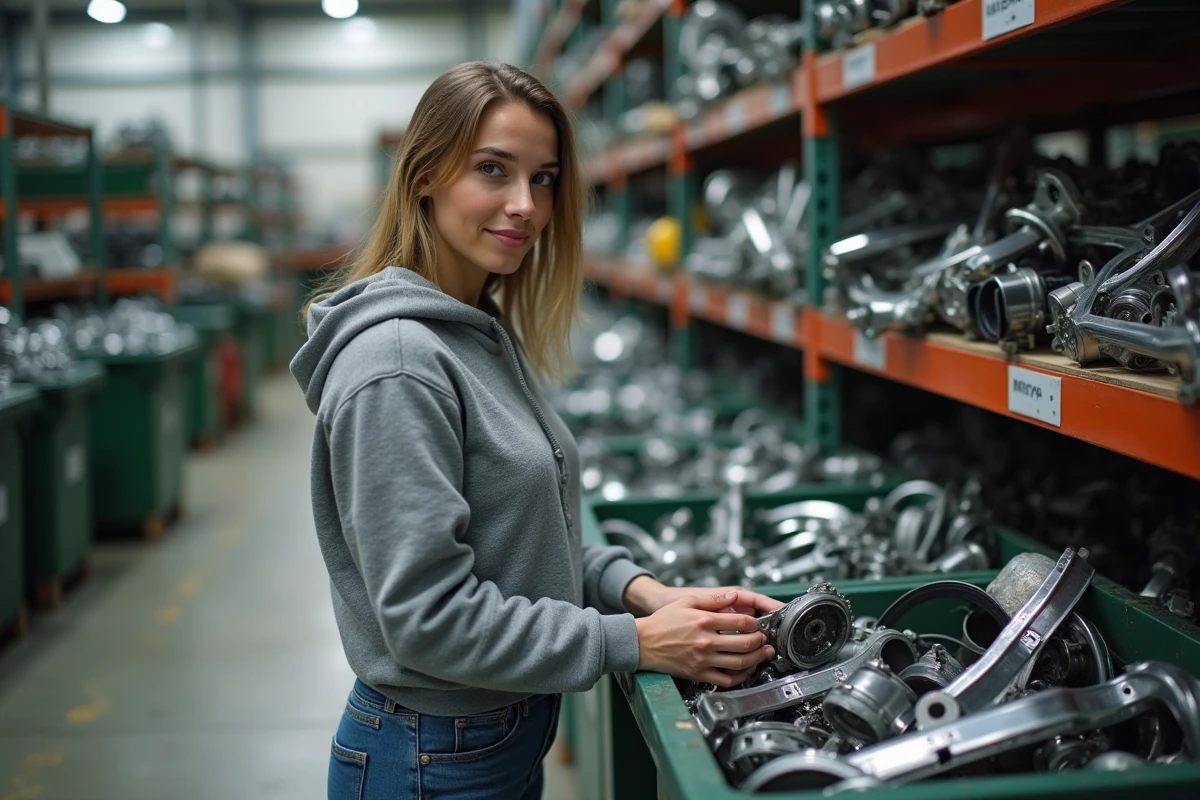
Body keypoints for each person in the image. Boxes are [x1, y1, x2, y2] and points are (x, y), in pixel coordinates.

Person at [290, 61, 783, 800]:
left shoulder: (476, 329)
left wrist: (644, 591)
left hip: (489, 740)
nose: (525, 204)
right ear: (425, 175)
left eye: (544, 178)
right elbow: (428, 620)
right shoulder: (398, 366)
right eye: (493, 170)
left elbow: (522, 531)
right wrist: (636, 643)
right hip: (430, 759)